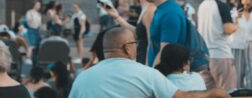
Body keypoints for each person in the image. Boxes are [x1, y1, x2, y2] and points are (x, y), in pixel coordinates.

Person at [69, 26, 226, 98]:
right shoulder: (146, 74)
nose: (136, 48)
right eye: (134, 44)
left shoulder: (82, 77)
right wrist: (213, 93)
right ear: (127, 48)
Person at [196, 0, 237, 92]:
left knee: (207, 92)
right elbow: (228, 29)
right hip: (221, 55)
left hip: (205, 56)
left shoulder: (202, 5)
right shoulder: (222, 6)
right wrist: (236, 26)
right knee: (226, 92)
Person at [106, 0, 156, 65]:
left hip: (146, 64)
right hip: (141, 61)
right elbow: (138, 33)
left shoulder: (150, 10)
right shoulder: (145, 9)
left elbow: (151, 43)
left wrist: (148, 68)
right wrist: (117, 17)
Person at [141, 0, 188, 68]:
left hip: (163, 76)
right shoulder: (161, 9)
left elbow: (165, 53)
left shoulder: (170, 13)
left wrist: (151, 75)